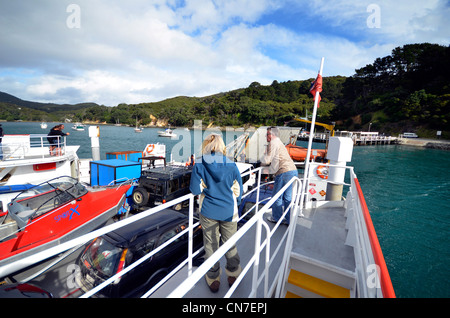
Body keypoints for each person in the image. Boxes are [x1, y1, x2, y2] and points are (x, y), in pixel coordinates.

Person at [189, 133, 243, 293]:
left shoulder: (199, 163)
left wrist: (205, 188)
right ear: (222, 146)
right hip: (228, 211)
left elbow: (194, 190)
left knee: (211, 245)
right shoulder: (232, 165)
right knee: (230, 243)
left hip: (208, 212)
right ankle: (233, 274)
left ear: (206, 145)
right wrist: (234, 203)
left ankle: (213, 278)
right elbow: (238, 192)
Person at [260, 126, 298, 225]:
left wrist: (261, 161)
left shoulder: (273, 143)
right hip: (292, 171)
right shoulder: (279, 142)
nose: (265, 136)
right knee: (287, 197)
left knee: (276, 197)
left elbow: (267, 160)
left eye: (267, 134)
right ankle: (289, 220)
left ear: (272, 135)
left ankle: (277, 218)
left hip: (283, 172)